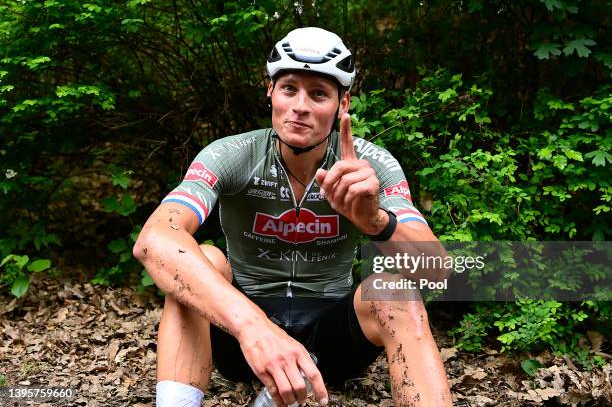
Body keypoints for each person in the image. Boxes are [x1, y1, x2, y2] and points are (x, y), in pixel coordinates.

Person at [134, 27, 453, 407]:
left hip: (331, 338)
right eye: (289, 89)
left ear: (343, 103)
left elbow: (437, 271)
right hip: (244, 338)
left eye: (318, 94)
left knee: (395, 289)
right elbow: (155, 240)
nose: (300, 106)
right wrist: (255, 328)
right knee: (204, 259)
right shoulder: (230, 154)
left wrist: (377, 222)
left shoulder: (372, 165)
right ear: (270, 92)